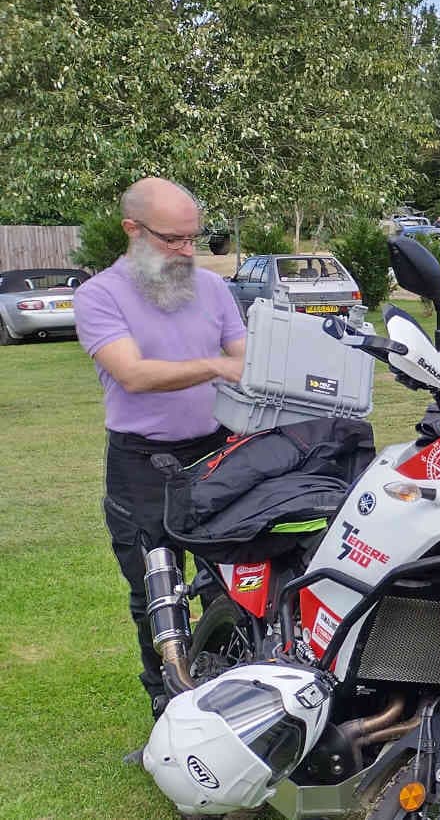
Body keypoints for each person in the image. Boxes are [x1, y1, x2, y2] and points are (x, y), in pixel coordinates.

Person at [73, 178, 247, 718]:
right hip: (140, 465)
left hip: (219, 453)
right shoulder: (98, 295)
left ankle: (237, 708)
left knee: (234, 585)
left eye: (194, 239)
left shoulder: (215, 290)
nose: (187, 252)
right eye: (174, 240)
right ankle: (167, 713)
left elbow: (249, 358)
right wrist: (218, 366)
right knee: (155, 593)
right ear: (133, 230)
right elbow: (134, 374)